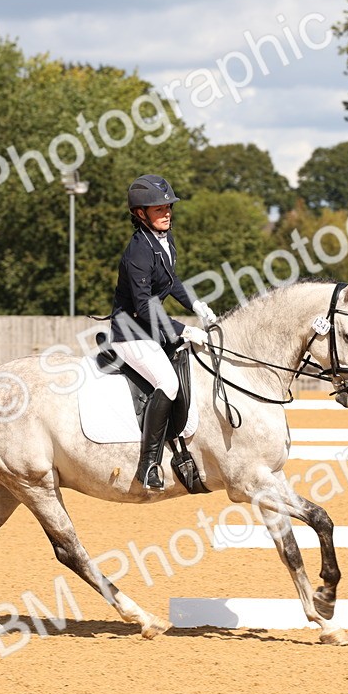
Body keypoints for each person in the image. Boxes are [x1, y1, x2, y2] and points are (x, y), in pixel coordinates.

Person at [108, 173, 217, 491]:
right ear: (140, 214)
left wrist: (195, 305)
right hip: (132, 333)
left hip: (152, 329)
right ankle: (148, 465)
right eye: (159, 209)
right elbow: (142, 307)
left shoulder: (164, 241)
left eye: (168, 206)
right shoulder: (138, 252)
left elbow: (173, 281)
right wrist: (183, 330)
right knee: (167, 383)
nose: (166, 212)